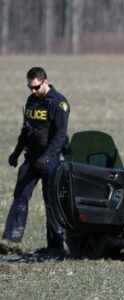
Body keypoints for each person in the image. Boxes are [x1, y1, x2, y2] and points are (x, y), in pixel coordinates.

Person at [3, 67, 70, 257]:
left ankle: (56, 246)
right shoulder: (32, 100)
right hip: (31, 158)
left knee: (51, 202)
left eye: (36, 87)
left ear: (45, 81)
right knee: (20, 196)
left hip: (51, 160)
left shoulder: (58, 103)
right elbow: (26, 130)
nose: (32, 91)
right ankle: (10, 240)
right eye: (29, 88)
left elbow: (60, 135)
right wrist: (16, 153)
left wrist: (47, 157)